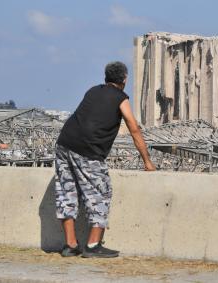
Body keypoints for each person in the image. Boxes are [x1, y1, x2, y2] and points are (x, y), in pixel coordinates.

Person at [54, 61, 156, 258]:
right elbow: (134, 128)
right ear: (124, 80)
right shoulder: (121, 98)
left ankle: (70, 245)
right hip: (88, 150)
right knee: (101, 192)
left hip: (64, 143)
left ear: (106, 77)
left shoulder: (93, 91)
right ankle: (93, 246)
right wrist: (147, 162)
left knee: (66, 192)